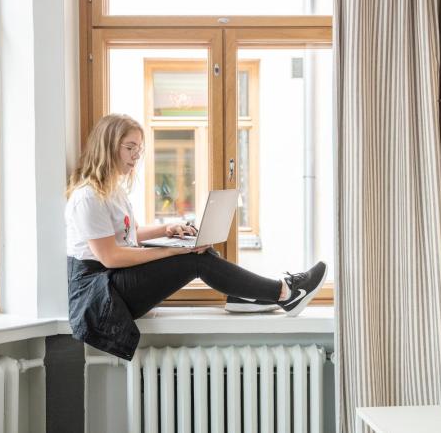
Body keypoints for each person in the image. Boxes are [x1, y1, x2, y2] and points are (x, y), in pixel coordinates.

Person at [65, 113, 327, 360]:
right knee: (193, 260)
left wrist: (168, 230)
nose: (135, 156)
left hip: (113, 279)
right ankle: (284, 293)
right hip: (99, 291)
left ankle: (248, 296)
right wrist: (172, 251)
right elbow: (110, 256)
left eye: (139, 149)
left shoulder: (115, 191)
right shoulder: (88, 196)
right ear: (108, 146)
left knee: (199, 251)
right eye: (129, 147)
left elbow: (130, 234)